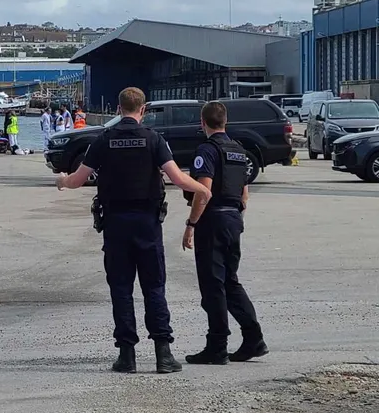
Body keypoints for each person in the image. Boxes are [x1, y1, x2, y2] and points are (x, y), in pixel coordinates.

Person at [56, 87, 211, 374]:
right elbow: (177, 178)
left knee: (121, 289)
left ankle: (127, 356)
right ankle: (163, 354)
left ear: (118, 109)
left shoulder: (103, 140)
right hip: (147, 224)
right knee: (154, 287)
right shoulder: (154, 140)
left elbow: (78, 180)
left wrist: (62, 181)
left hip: (115, 225)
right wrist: (203, 189)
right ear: (143, 111)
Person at [182, 101, 268, 365]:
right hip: (233, 219)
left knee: (213, 285)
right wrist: (237, 219)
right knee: (230, 281)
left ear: (202, 122)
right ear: (225, 121)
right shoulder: (238, 150)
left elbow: (203, 191)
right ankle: (254, 338)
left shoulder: (207, 151)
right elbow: (244, 192)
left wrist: (191, 224)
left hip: (214, 222)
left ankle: (217, 346)